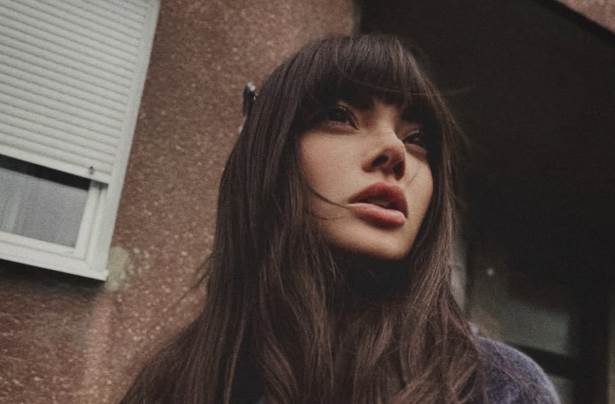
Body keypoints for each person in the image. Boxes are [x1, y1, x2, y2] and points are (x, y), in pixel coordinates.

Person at [120, 35, 560, 404]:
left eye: (417, 138)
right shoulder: (174, 384)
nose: (395, 152)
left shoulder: (500, 388)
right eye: (340, 116)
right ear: (271, 155)